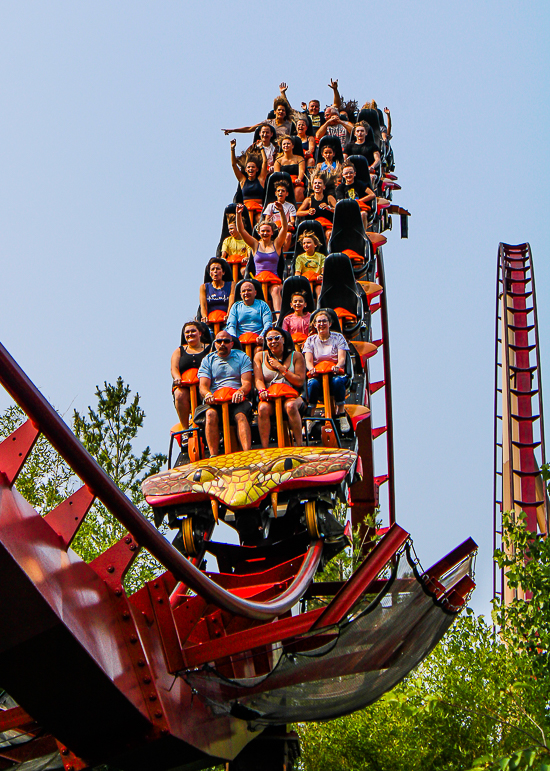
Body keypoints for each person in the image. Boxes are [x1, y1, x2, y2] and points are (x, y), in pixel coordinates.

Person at [198, 333, 253, 456]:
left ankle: (247, 453)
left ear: (232, 344)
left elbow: (247, 383)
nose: (222, 344)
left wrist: (241, 391)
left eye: (226, 341)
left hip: (237, 399)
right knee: (210, 414)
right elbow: (203, 386)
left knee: (240, 416)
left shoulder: (242, 357)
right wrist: (207, 394)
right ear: (215, 344)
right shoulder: (207, 360)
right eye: (219, 341)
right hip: (215, 400)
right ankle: (213, 455)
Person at [254, 327, 306, 448]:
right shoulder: (259, 356)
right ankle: (265, 448)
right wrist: (262, 390)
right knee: (262, 408)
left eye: (277, 338)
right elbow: (258, 379)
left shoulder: (296, 356)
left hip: (292, 395)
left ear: (283, 339)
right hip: (270, 397)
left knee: (291, 406)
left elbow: (299, 381)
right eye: (270, 339)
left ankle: (299, 444)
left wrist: (281, 368)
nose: (273, 342)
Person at [303, 311, 351, 433]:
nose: (321, 324)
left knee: (337, 381)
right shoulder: (310, 340)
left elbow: (342, 359)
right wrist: (311, 368)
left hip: (334, 372)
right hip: (318, 374)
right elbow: (308, 360)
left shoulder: (338, 337)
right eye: (319, 322)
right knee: (312, 384)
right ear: (315, 325)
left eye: (324, 321)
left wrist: (337, 366)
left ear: (330, 323)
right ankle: (310, 417)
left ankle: (341, 414)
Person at [235, 203, 287, 312]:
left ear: (272, 232)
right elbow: (241, 231)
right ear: (259, 232)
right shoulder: (255, 244)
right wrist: (238, 214)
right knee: (254, 291)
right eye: (263, 231)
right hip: (258, 281)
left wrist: (282, 211)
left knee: (275, 290)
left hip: (274, 280)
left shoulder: (276, 244)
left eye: (268, 231)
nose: (265, 233)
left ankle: (278, 316)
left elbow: (284, 228)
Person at [171, 322, 211, 430]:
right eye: (187, 332)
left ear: (200, 333)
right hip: (185, 385)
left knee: (206, 393)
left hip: (204, 383)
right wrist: (177, 378)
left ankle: (206, 423)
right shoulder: (180, 351)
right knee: (179, 395)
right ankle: (185, 429)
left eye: (193, 331)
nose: (190, 334)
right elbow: (174, 368)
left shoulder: (209, 349)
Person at [230, 140, 268, 225]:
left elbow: (265, 162)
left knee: (259, 219)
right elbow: (233, 165)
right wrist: (232, 149)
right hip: (246, 208)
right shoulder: (243, 180)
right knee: (244, 220)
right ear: (246, 170)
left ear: (257, 169)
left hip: (258, 207)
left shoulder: (261, 179)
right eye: (249, 167)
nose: (251, 169)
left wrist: (261, 148)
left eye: (253, 167)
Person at [225, 278, 272, 346]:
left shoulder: (263, 305)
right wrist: (234, 339)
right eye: (243, 291)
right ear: (240, 294)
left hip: (258, 341)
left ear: (255, 293)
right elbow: (231, 325)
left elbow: (268, 323)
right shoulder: (235, 306)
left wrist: (262, 336)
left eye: (249, 290)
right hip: (239, 342)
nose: (246, 293)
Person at [222, 97, 294, 140]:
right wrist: (233, 130)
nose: (281, 112)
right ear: (275, 112)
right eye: (279, 110)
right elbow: (250, 128)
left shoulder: (289, 125)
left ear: (285, 113)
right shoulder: (268, 123)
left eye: (283, 110)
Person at [335, 162, 376, 230]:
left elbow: (372, 194)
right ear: (343, 175)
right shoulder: (340, 187)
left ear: (354, 173)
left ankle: (363, 233)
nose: (349, 175)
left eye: (351, 173)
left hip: (360, 209)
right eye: (346, 173)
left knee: (363, 214)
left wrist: (359, 201)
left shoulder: (360, 184)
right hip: (348, 209)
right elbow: (340, 201)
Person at [263, 180, 296, 251]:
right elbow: (267, 220)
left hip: (285, 228)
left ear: (287, 194)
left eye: (283, 191)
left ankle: (283, 256)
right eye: (278, 191)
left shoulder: (291, 206)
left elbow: (292, 221)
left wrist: (287, 225)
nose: (280, 192)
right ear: (275, 193)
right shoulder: (270, 206)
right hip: (273, 229)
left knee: (288, 235)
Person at [199, 258, 235, 323]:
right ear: (210, 273)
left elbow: (231, 302)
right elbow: (203, 305)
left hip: (226, 320)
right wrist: (205, 317)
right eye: (212, 269)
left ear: (223, 272)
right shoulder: (204, 287)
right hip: (210, 320)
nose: (215, 271)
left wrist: (228, 315)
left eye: (218, 269)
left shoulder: (232, 285)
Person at [274, 136, 306, 203]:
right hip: (283, 182)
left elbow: (301, 171)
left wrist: (299, 179)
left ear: (292, 146)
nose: (286, 145)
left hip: (296, 181)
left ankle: (297, 208)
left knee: (299, 190)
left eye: (288, 144)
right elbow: (277, 175)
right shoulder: (278, 161)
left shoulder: (299, 159)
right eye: (284, 144)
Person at [294, 230, 326, 300]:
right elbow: (297, 272)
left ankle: (318, 305)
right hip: (305, 281)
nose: (306, 245)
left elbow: (323, 270)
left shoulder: (321, 257)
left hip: (317, 281)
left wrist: (321, 275)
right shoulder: (300, 258)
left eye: (308, 243)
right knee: (307, 288)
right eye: (304, 243)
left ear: (315, 244)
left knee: (319, 289)